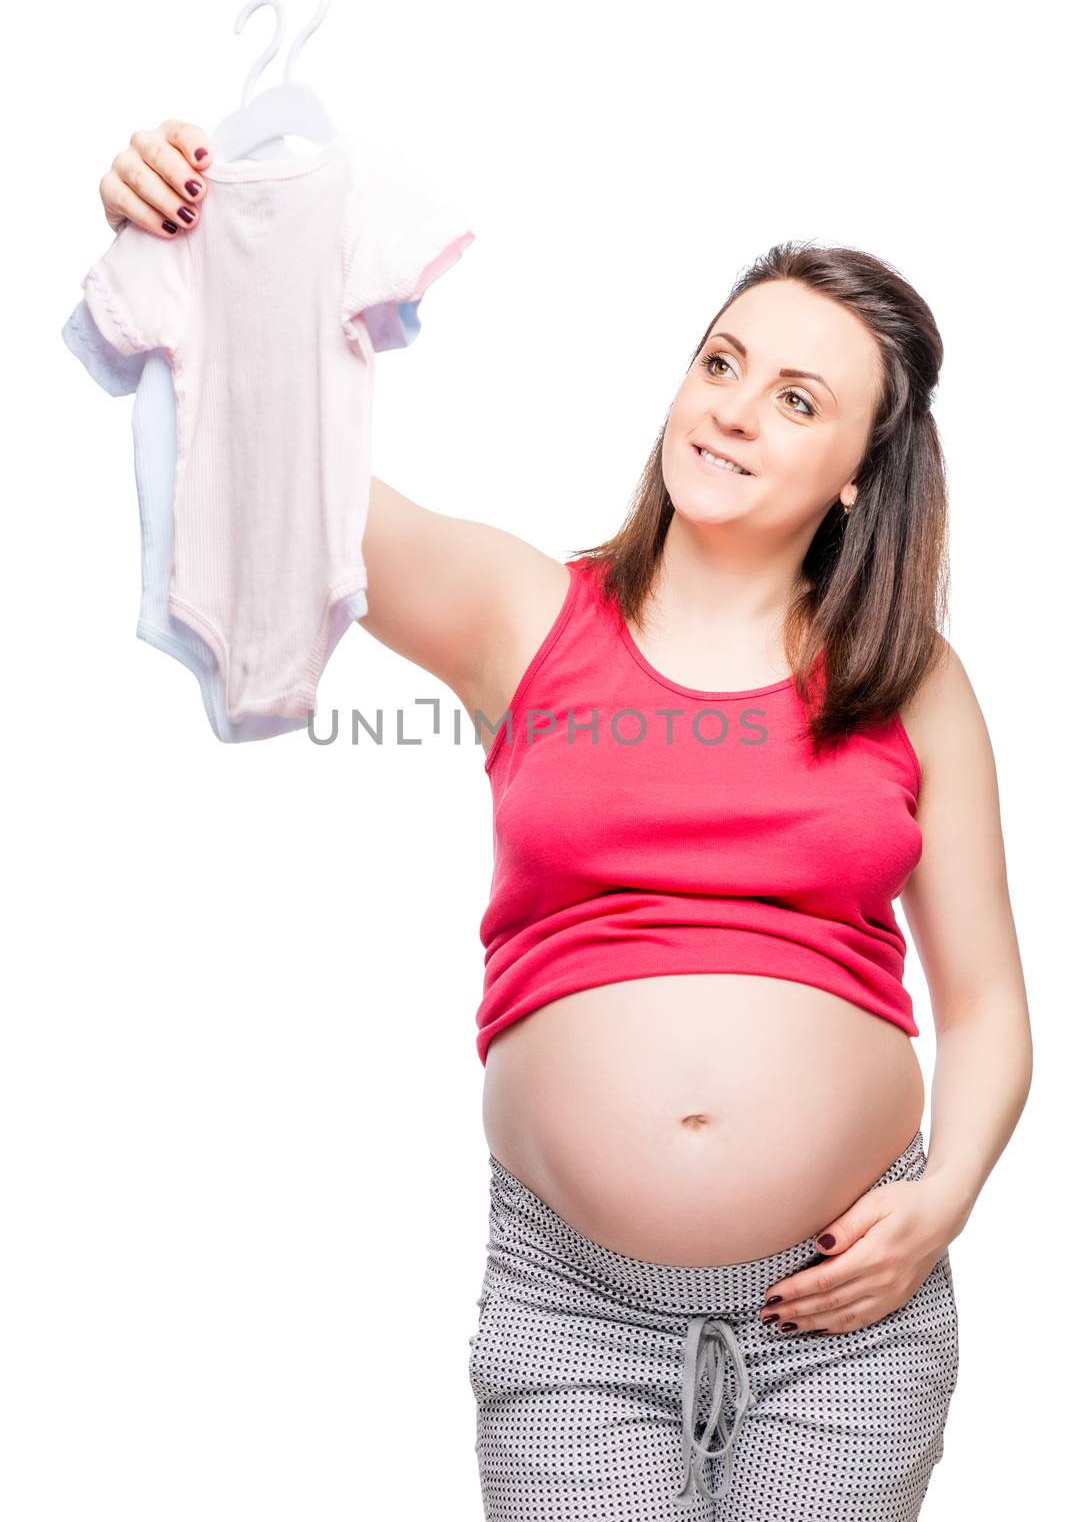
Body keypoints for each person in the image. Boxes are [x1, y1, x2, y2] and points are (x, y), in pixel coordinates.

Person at [94, 120, 1032, 1521]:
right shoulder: (525, 612)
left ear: (858, 471)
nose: (728, 408)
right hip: (574, 1314)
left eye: (794, 398)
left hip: (852, 1320)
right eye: (719, 365)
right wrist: (199, 238)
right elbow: (285, 470)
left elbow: (989, 1001)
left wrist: (946, 1194)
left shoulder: (913, 684)